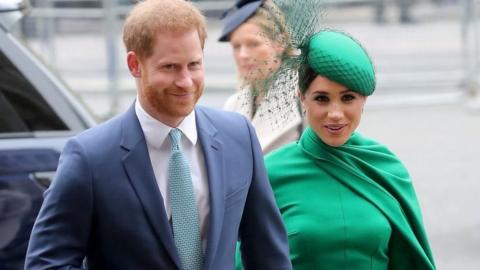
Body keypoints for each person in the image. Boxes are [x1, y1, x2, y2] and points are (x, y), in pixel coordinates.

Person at [24, 0, 292, 269]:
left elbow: (268, 254)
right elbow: (46, 263)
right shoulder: (90, 157)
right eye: (170, 67)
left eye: (194, 65)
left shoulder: (239, 136)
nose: (186, 81)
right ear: (134, 65)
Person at [238, 30, 437, 269]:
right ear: (302, 98)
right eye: (322, 98)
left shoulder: (387, 169)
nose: (335, 114)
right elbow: (247, 260)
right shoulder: (270, 173)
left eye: (348, 98)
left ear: (363, 100)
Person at [219, 0, 303, 154]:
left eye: (253, 44)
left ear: (281, 43)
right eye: (236, 46)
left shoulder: (305, 98)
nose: (243, 55)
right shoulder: (232, 105)